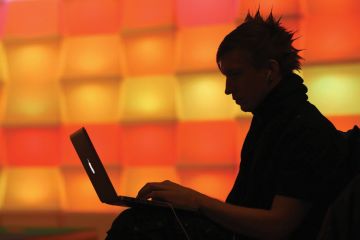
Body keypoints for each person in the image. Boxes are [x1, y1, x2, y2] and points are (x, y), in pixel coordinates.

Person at [106, 10, 350, 240]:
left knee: (136, 227)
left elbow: (279, 225)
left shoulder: (303, 128)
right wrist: (188, 201)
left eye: (235, 75)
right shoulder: (273, 120)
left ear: (270, 70)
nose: (228, 89)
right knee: (140, 221)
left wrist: (196, 201)